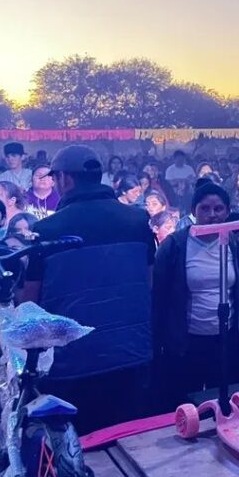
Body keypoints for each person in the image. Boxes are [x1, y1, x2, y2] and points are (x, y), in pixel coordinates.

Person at [20, 145, 156, 432]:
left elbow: (30, 301)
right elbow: (149, 281)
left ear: (66, 180)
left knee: (77, 446)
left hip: (71, 363)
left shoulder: (46, 231)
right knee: (128, 439)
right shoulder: (137, 220)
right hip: (131, 352)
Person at [153, 183, 239, 401]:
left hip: (226, 337)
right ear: (193, 211)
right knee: (188, 398)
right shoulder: (175, 246)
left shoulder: (234, 245)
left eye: (218, 209)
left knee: (222, 396)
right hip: (188, 339)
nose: (212, 215)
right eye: (205, 209)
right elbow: (159, 297)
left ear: (227, 212)